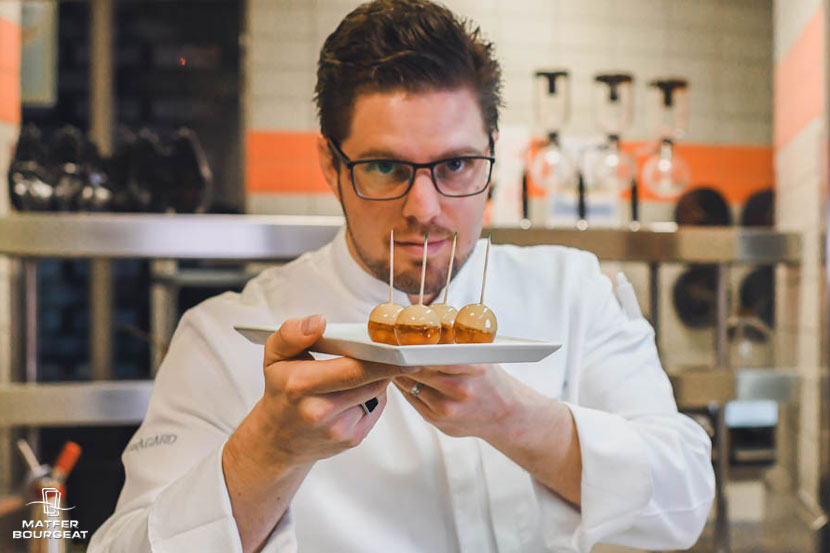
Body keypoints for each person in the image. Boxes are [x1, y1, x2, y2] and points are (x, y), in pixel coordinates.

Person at [88, 1, 714, 552]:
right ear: (331, 166)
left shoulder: (574, 294)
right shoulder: (225, 337)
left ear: (492, 152)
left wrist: (512, 418)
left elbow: (684, 504)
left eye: (458, 164)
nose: (426, 207)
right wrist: (268, 451)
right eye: (386, 167)